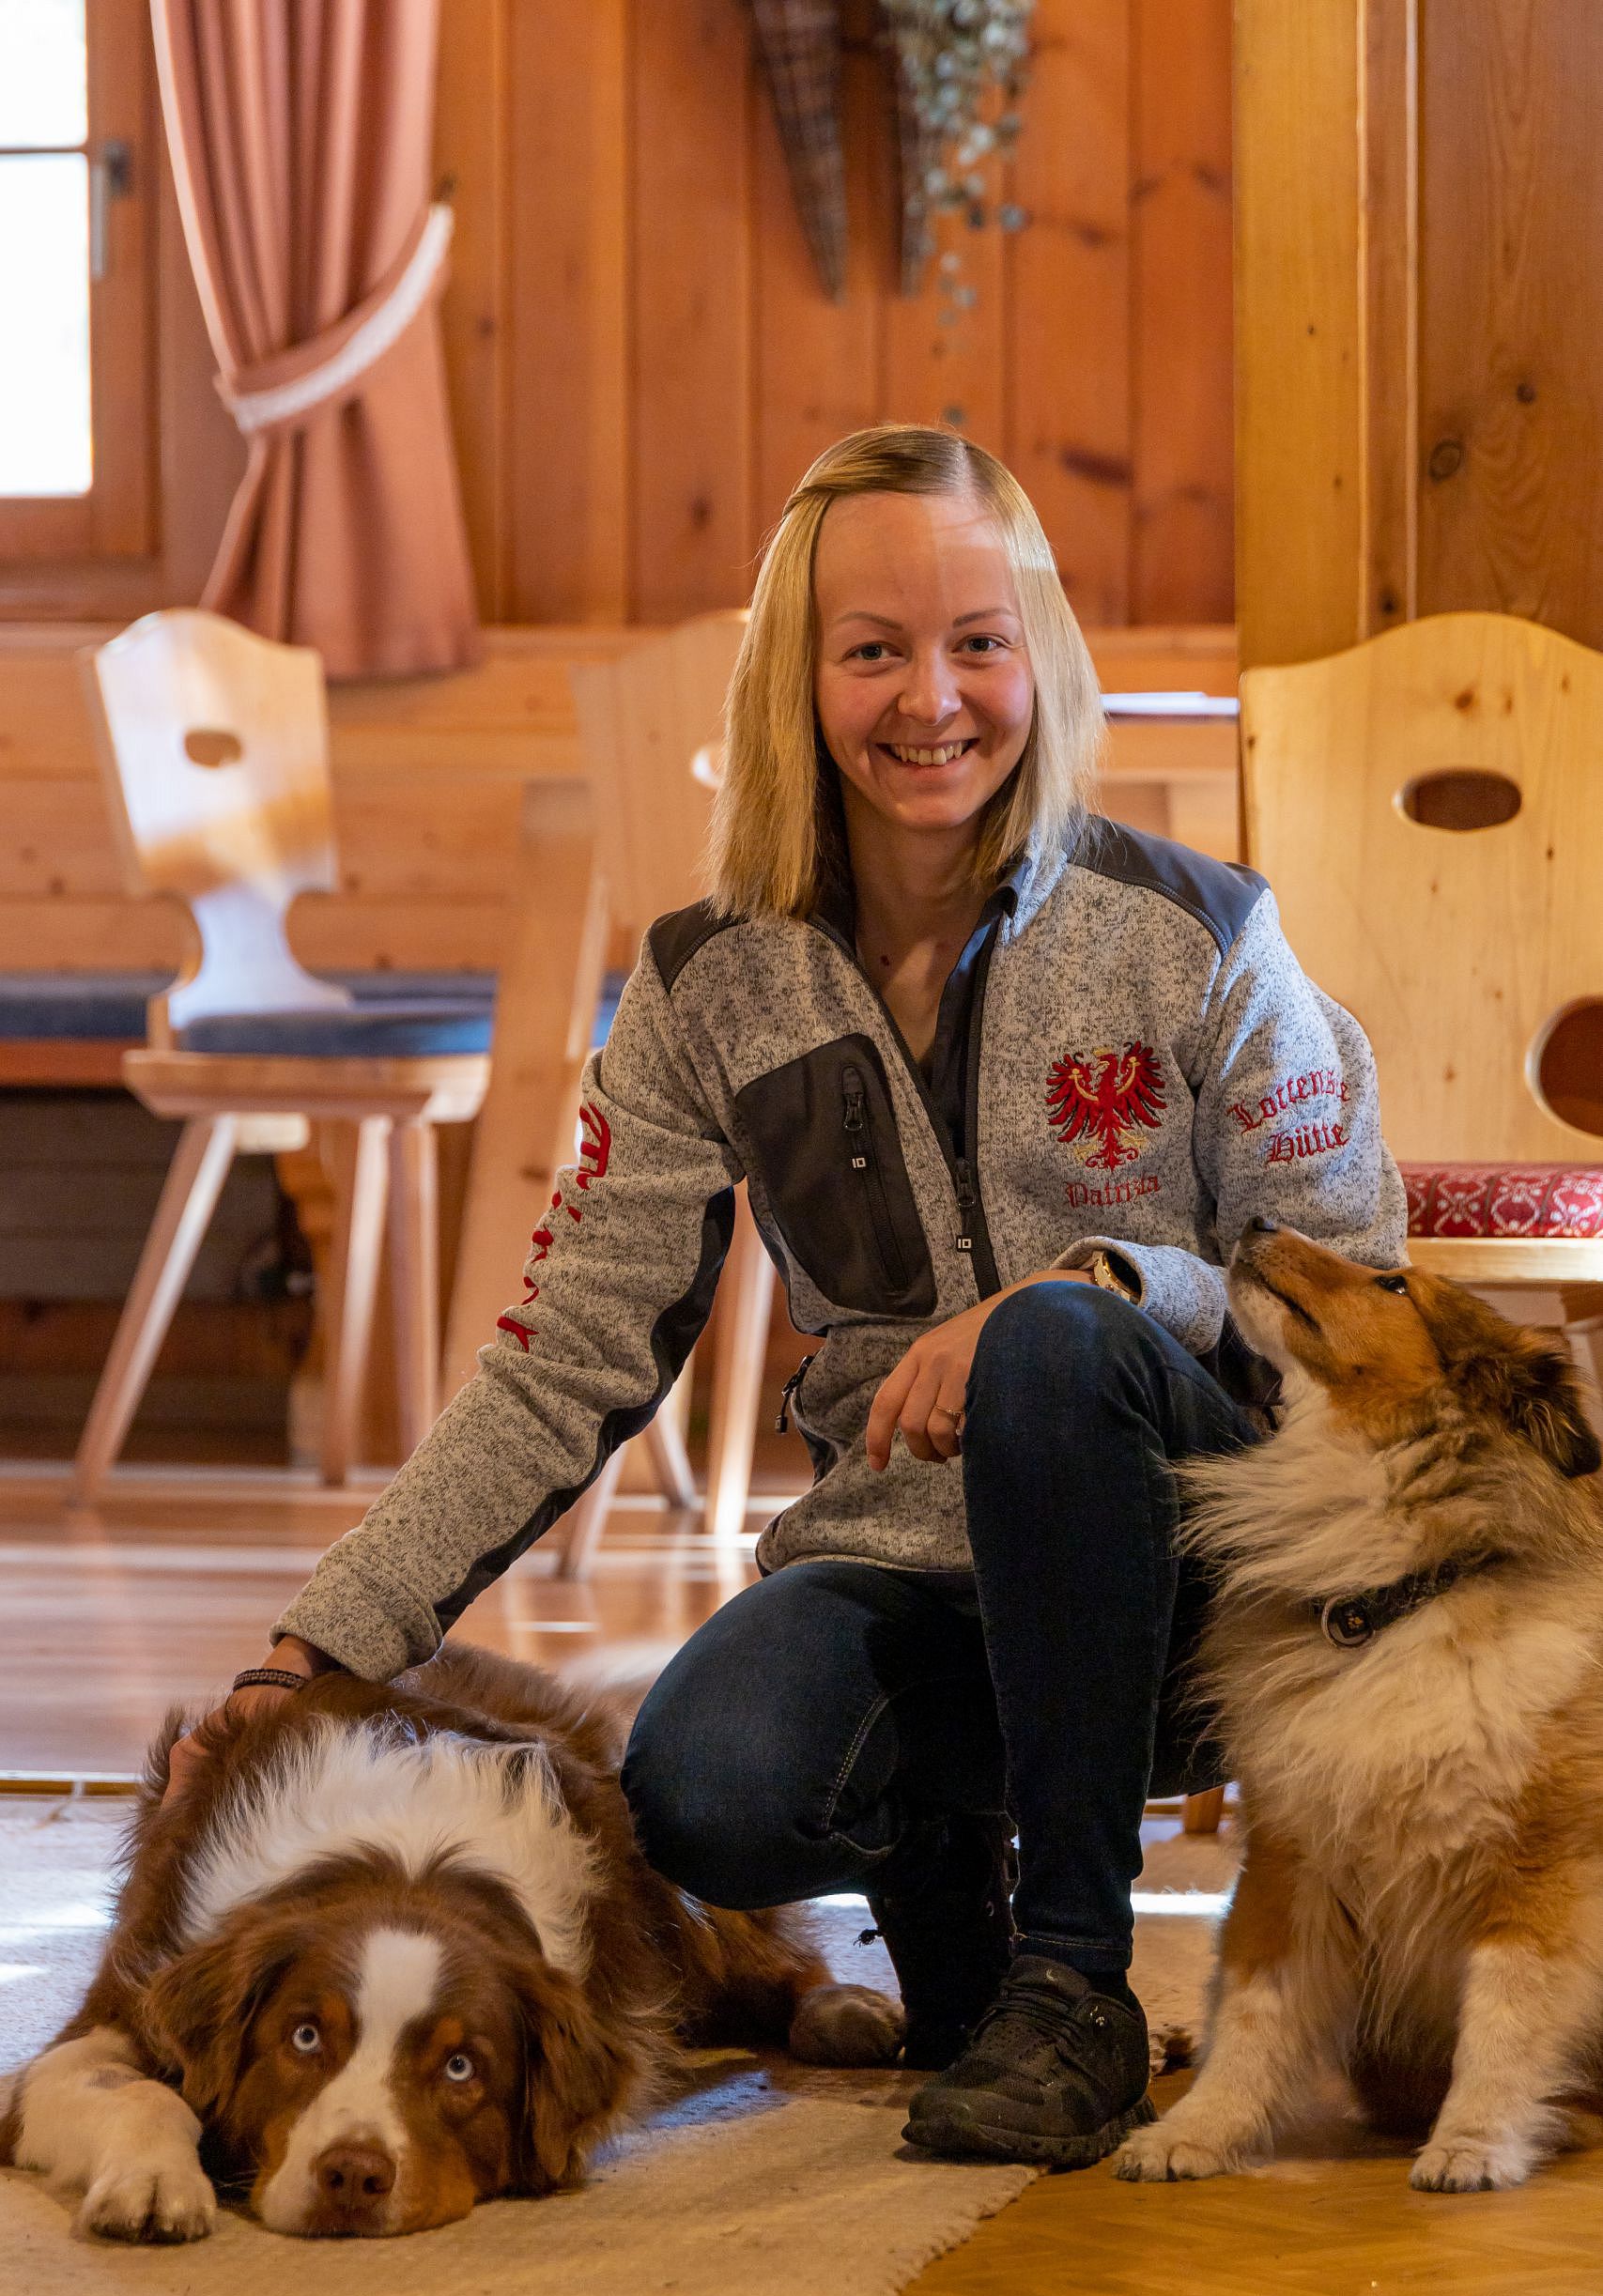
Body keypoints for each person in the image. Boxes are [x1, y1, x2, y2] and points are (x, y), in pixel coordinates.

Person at [175, 424, 1405, 2170]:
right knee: (709, 1784)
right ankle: (960, 1950)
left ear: (1039, 659)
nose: (934, 699)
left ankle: (1077, 1981)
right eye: (874, 649)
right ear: (798, 680)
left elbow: (1355, 1297)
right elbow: (564, 1360)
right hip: (912, 1564)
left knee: (1057, 1343)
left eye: (978, 642)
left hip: (1210, 1588)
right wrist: (322, 1642)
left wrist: (1114, 1282)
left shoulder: (1199, 936)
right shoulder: (700, 988)